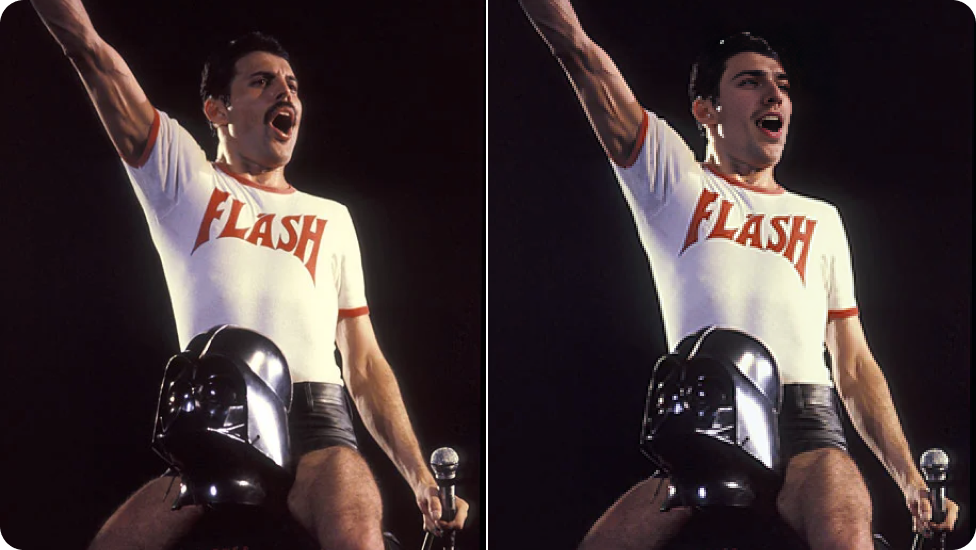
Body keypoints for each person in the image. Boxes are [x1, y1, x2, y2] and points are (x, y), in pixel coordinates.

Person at [517, 1, 959, 549]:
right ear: (705, 109)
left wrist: (910, 479)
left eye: (782, 85)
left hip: (805, 426)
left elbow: (852, 363)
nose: (774, 95)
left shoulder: (822, 218)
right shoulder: (671, 180)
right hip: (702, 422)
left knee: (845, 529)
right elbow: (580, 54)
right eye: (750, 82)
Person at [29, 1, 469, 549]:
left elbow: (362, 362)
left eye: (292, 85)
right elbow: (90, 53)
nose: (286, 93)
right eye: (262, 82)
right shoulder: (182, 179)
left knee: (356, 532)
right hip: (213, 423)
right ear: (216, 108)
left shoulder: (333, 217)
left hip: (316, 424)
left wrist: (420, 479)